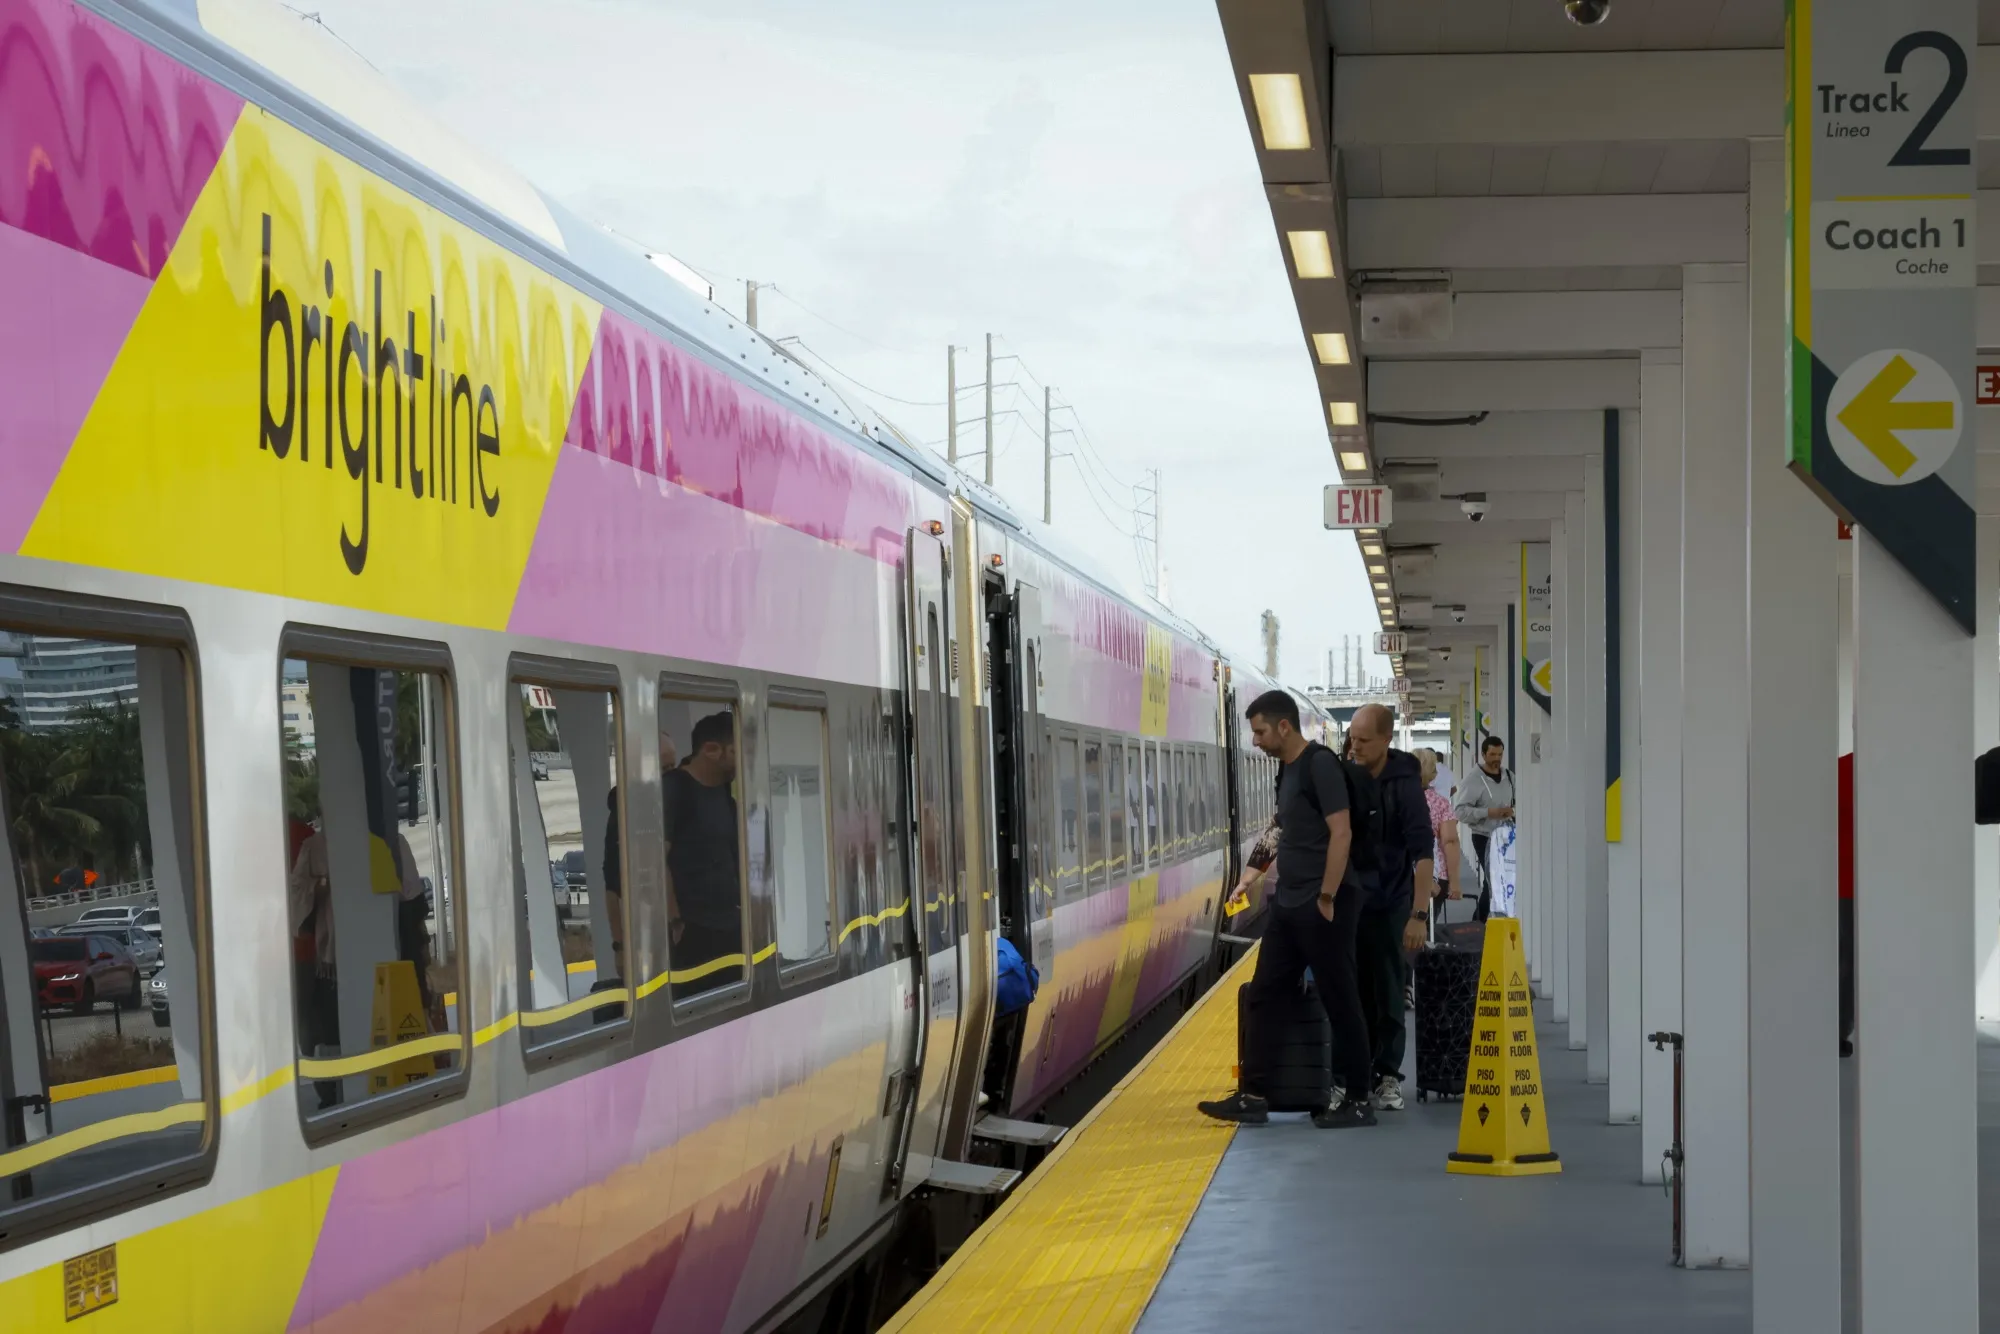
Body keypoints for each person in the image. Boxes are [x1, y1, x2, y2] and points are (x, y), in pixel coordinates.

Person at [1198, 691, 1376, 1129]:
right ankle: (1255, 1094)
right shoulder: (1288, 770)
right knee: (1264, 992)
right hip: (1290, 903)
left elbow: (1342, 833)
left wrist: (1328, 896)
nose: (1254, 740)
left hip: (1324, 903)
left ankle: (1358, 1099)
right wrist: (1247, 879)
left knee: (1341, 998)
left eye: (1259, 731)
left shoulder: (1320, 765)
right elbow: (1281, 828)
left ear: (1283, 726)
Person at [1345, 704, 1438, 1112]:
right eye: (1352, 737)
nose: (1355, 746)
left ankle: (1388, 1076)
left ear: (1386, 739)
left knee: (1389, 990)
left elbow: (1422, 852)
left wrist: (1419, 915)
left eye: (1364, 740)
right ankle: (1356, 1074)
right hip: (1351, 903)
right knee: (1353, 990)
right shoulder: (1345, 775)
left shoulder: (1405, 785)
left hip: (1391, 902)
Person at [665, 710, 743, 999]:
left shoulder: (723, 791)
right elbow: (654, 860)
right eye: (738, 750)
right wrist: (676, 922)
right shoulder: (675, 789)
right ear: (712, 750)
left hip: (730, 927)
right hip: (695, 934)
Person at [1453, 736, 1515, 922]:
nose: (1497, 758)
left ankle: (1492, 920)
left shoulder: (1510, 777)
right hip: (1484, 837)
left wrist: (1512, 811)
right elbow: (1460, 812)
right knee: (1493, 882)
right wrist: (1489, 812)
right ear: (1483, 754)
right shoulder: (1473, 780)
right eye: (1492, 754)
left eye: (1500, 754)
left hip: (1508, 837)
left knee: (1504, 882)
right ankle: (1479, 922)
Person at [1419, 750, 1462, 911]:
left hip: (1400, 876)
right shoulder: (1441, 803)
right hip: (1436, 875)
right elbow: (1450, 841)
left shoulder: (1396, 799)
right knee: (1426, 926)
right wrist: (1455, 882)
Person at [1839, 749, 1854, 1058]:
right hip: (1846, 884)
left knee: (1845, 961)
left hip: (1841, 885)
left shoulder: (1837, 771)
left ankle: (1839, 1031)